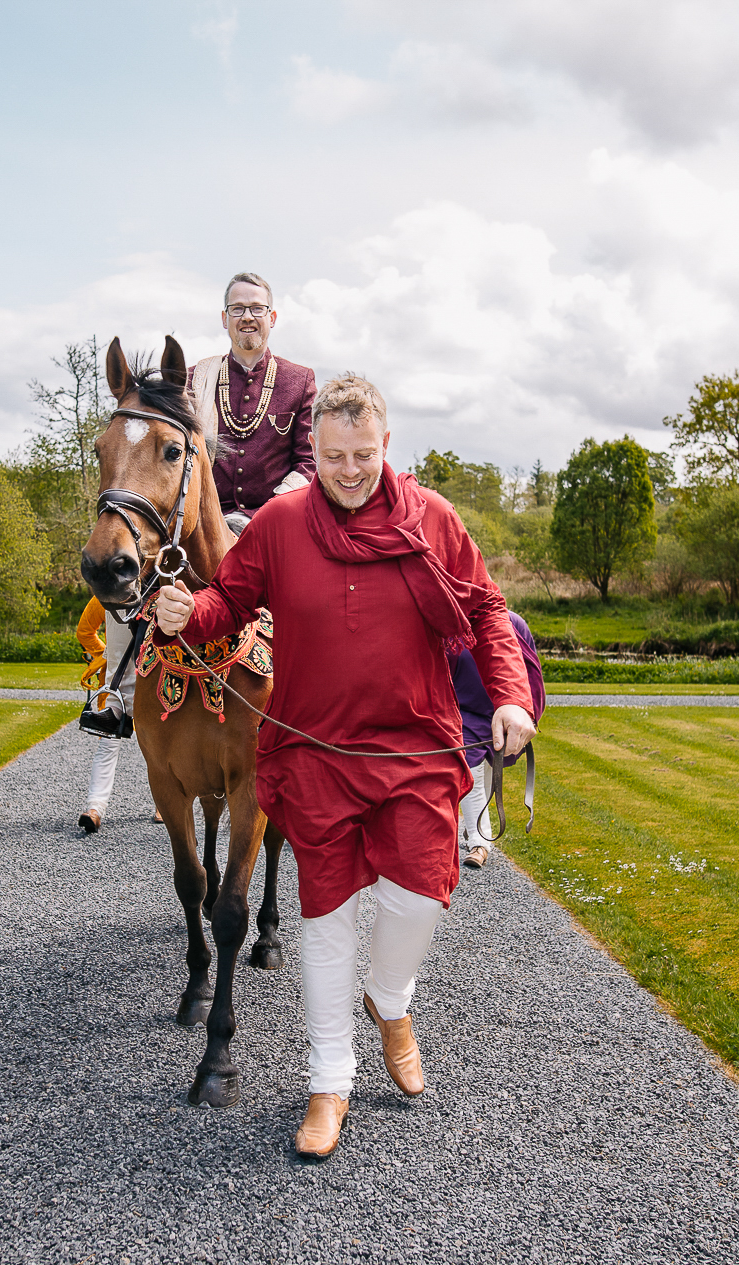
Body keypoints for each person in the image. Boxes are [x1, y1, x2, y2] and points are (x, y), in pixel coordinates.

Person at [152, 373, 536, 1159]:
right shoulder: (284, 522)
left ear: (386, 446)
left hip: (415, 746)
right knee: (324, 921)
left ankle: (389, 1000)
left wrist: (510, 696)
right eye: (334, 456)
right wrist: (194, 611)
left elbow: (488, 609)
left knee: (421, 894)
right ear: (316, 453)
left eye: (363, 454)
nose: (350, 469)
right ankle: (330, 1084)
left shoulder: (435, 519)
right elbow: (231, 597)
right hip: (314, 748)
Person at [188, 272, 320, 518]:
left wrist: (273, 512)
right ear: (224, 319)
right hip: (206, 524)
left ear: (272, 318)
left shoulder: (299, 380)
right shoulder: (195, 380)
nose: (247, 317)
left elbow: (309, 461)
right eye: (237, 309)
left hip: (276, 520)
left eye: (257, 309)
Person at [453, 610, 545, 869]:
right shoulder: (449, 621)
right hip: (461, 710)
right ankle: (479, 840)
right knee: (470, 768)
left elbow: (531, 669)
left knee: (481, 769)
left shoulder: (513, 623)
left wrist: (529, 713)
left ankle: (476, 832)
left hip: (499, 709)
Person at [75, 594, 139, 833]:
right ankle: (94, 809)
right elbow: (85, 630)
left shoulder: (107, 592)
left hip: (132, 686)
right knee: (111, 746)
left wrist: (104, 654)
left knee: (153, 748)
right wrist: (107, 654)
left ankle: (95, 808)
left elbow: (85, 632)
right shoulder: (104, 595)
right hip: (122, 688)